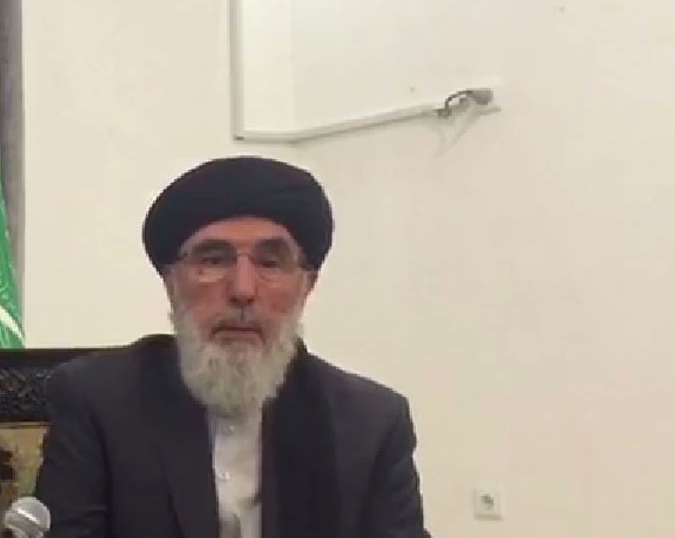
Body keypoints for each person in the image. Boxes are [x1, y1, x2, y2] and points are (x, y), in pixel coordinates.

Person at [35, 156, 430, 538]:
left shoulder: (370, 425)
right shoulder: (97, 402)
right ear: (171, 283)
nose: (243, 290)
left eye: (270, 264)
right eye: (214, 260)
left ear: (306, 287)